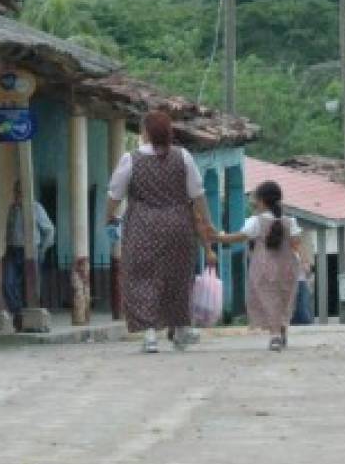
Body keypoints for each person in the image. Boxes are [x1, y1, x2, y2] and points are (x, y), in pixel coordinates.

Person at [106, 110, 216, 354]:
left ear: (145, 132)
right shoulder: (183, 156)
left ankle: (149, 335)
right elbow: (198, 194)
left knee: (141, 278)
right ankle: (179, 329)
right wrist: (207, 223)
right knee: (177, 279)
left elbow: (114, 194)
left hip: (142, 226)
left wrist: (109, 218)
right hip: (179, 226)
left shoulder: (130, 159)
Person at [213, 180, 303, 351]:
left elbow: (239, 237)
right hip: (289, 268)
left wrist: (219, 237)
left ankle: (275, 335)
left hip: (263, 268)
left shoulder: (255, 221)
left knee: (269, 300)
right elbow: (296, 243)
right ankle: (280, 329)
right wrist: (304, 263)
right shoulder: (290, 221)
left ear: (261, 201)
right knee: (283, 300)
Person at [3, 179, 55, 318]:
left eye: (21, 192)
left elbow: (49, 230)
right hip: (13, 250)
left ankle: (29, 315)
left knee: (30, 285)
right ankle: (17, 313)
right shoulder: (12, 209)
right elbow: (9, 230)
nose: (18, 195)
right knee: (8, 283)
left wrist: (42, 249)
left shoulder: (35, 207)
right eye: (16, 191)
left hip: (31, 250)